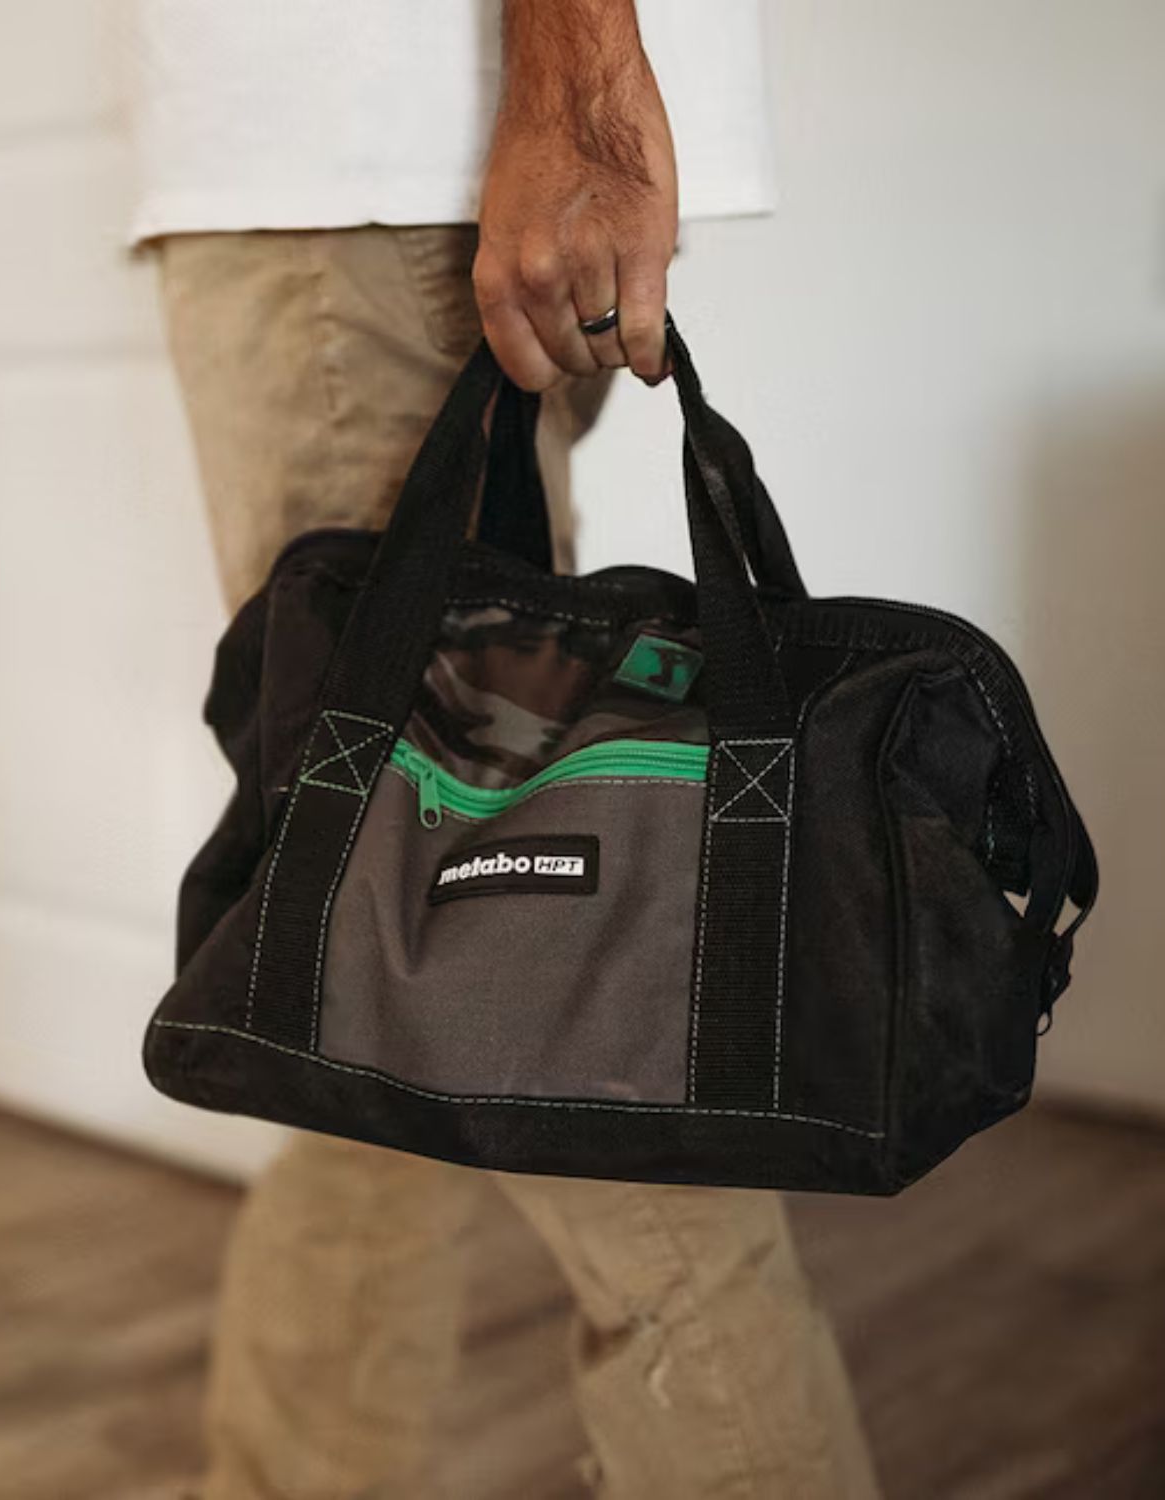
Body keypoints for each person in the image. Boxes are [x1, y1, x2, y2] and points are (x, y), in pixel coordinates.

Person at [135, 3, 880, 1496]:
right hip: (401, 165)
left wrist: (577, 104)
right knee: (375, 967)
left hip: (356, 165)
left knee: (530, 1006)